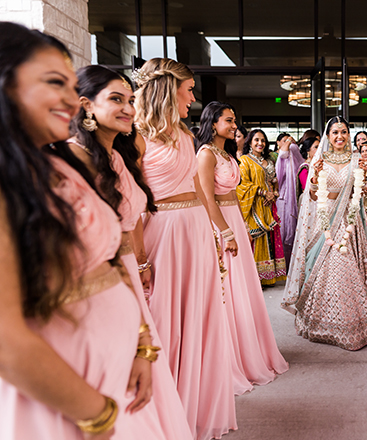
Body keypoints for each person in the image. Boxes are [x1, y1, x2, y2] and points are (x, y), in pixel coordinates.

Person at [0, 22, 166, 439]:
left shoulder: (60, 166)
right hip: (64, 394)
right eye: (54, 82)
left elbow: (112, 256)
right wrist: (96, 414)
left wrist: (141, 344)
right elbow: (6, 341)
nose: (70, 100)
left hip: (114, 378)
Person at [67, 64, 192, 439]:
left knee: (143, 367)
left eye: (130, 100)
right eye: (116, 100)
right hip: (97, 279)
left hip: (123, 273)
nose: (128, 109)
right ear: (86, 105)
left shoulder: (118, 157)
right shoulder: (75, 158)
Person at [134, 57, 238, 438]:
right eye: (189, 89)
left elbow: (198, 189)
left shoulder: (186, 136)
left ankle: (193, 405)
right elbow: (131, 201)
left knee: (200, 314)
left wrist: (215, 231)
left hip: (195, 227)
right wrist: (141, 259)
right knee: (163, 318)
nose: (193, 99)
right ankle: (161, 411)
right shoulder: (137, 136)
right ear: (167, 89)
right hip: (163, 228)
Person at [282, 116, 367, 350]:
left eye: (343, 132)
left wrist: (362, 176)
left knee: (346, 267)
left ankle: (356, 325)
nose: (340, 137)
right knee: (327, 269)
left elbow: (360, 192)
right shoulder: (319, 159)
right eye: (335, 132)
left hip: (349, 223)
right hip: (325, 222)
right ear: (328, 136)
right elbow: (313, 196)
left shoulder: (356, 160)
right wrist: (314, 180)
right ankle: (323, 323)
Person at [196, 101, 289, 390]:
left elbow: (236, 194)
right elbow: (207, 198)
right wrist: (225, 232)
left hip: (236, 218)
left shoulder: (227, 153)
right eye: (228, 120)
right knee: (227, 288)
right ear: (213, 123)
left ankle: (250, 350)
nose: (234, 125)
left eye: (235, 120)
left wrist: (241, 227)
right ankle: (229, 356)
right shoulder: (206, 154)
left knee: (244, 288)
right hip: (220, 223)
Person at [237, 129, 287, 285]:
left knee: (270, 238)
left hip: (269, 206)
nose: (260, 143)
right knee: (256, 238)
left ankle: (268, 276)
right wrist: (263, 192)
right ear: (250, 142)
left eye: (263, 140)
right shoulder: (244, 160)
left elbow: (275, 182)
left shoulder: (269, 161)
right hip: (254, 205)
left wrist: (275, 193)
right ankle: (254, 278)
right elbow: (242, 184)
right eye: (256, 140)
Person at [276, 131, 305, 267]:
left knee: (294, 231)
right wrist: (288, 142)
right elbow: (278, 175)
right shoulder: (282, 160)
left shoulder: (299, 162)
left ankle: (293, 265)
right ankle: (283, 265)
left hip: (294, 199)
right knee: (283, 231)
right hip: (283, 199)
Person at [297, 135, 320, 202]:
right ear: (308, 151)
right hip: (309, 200)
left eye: (320, 147)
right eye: (316, 147)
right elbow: (307, 188)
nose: (319, 149)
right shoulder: (305, 168)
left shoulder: (319, 165)